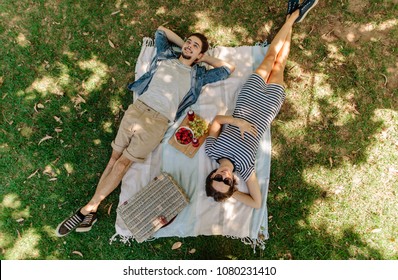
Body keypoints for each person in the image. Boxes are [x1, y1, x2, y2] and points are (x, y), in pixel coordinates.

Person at [56, 26, 235, 237]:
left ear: (201, 54)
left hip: (157, 123)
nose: (189, 45)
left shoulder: (199, 76)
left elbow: (227, 69)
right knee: (113, 160)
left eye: (195, 46)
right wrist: (185, 47)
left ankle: (88, 209)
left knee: (122, 163)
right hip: (137, 110)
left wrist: (203, 59)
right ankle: (91, 211)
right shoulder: (165, 56)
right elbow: (161, 32)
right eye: (188, 41)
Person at [204, 0, 318, 209]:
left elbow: (218, 120)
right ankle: (291, 17)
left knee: (270, 56)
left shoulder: (211, 151)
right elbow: (257, 204)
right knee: (280, 63)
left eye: (217, 179)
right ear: (232, 183)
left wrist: (238, 122)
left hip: (247, 99)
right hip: (267, 107)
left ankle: (292, 18)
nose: (223, 177)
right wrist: (231, 194)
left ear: (211, 175)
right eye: (226, 182)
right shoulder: (245, 169)